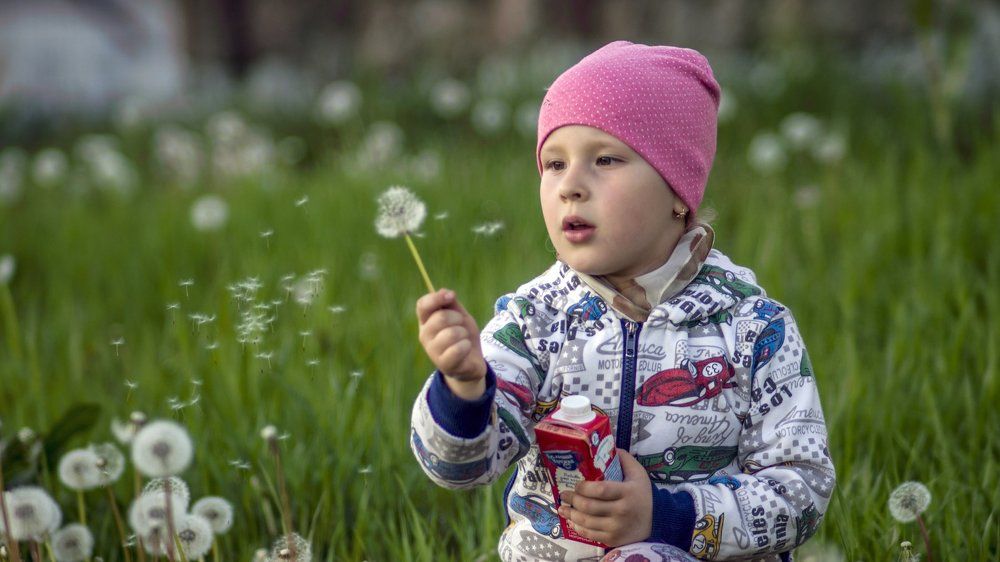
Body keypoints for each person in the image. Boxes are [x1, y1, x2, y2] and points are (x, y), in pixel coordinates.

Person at [410, 40, 835, 562]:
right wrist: (464, 388)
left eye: (606, 159)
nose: (571, 186)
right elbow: (459, 468)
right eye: (553, 164)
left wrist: (667, 516)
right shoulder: (534, 321)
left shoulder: (753, 329)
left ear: (679, 191)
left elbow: (803, 489)